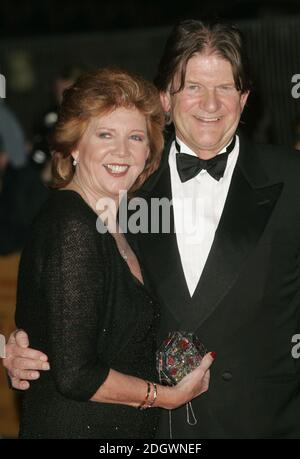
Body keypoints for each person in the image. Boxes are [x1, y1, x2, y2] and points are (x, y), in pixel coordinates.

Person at [5, 18, 300, 439]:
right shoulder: (122, 186)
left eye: (225, 88)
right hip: (151, 432)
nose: (210, 105)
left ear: (245, 97)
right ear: (165, 98)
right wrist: (28, 346)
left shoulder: (293, 180)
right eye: (193, 87)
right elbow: (74, 300)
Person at [2, 67, 213, 439]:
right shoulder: (72, 223)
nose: (121, 151)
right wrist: (165, 397)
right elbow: (76, 375)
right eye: (105, 134)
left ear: (149, 151)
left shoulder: (125, 222)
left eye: (135, 137)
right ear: (74, 146)